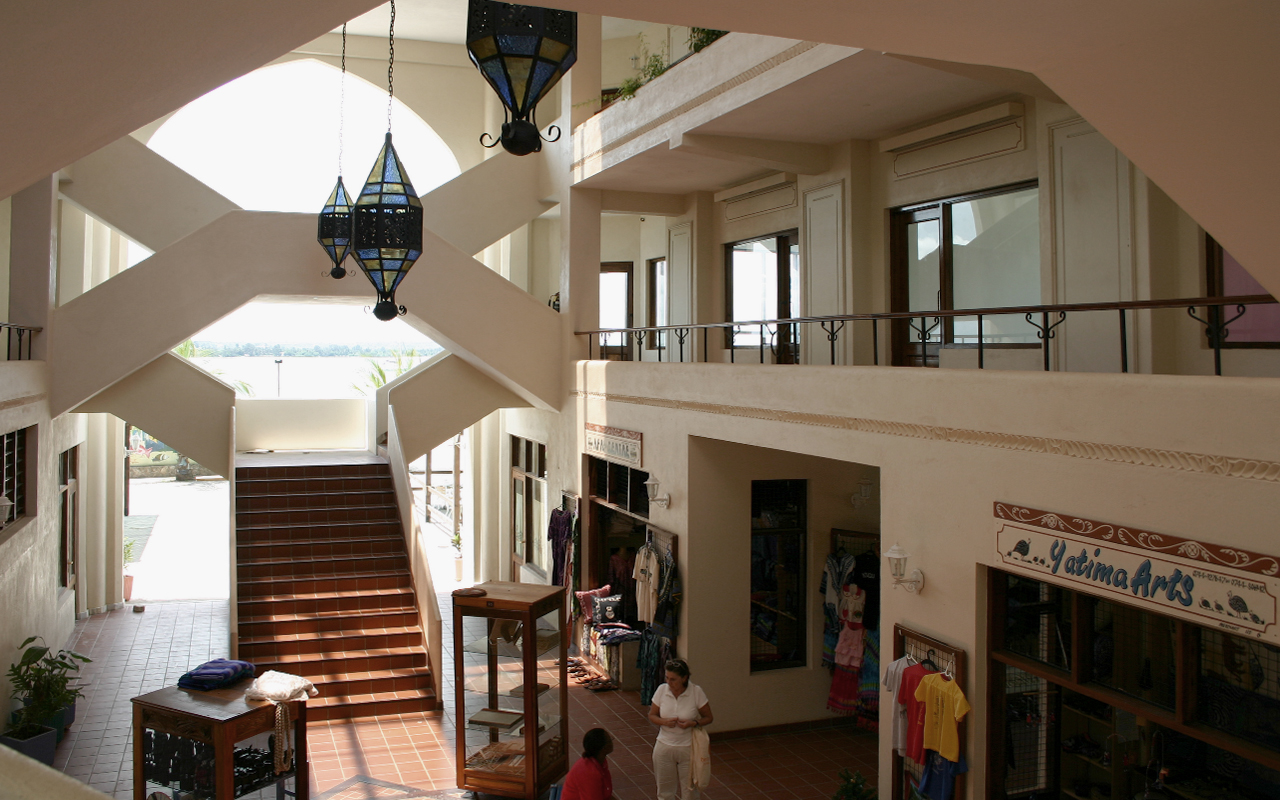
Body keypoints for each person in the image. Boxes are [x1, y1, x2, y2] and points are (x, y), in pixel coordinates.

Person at [648, 658, 714, 800]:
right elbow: (652, 715)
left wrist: (693, 723)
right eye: (667, 678)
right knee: (664, 791)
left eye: (673, 679)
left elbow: (708, 718)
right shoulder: (662, 690)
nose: (669, 682)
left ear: (684, 678)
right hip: (664, 746)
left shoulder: (696, 692)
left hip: (687, 748)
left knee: (690, 791)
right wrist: (664, 722)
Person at [562, 727, 615, 800]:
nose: (612, 741)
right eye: (610, 740)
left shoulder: (601, 761)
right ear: (604, 748)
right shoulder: (589, 773)